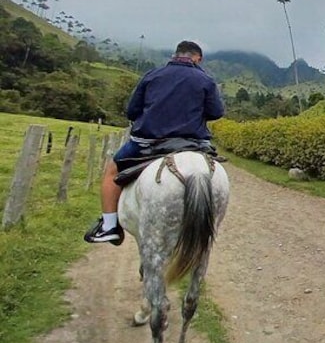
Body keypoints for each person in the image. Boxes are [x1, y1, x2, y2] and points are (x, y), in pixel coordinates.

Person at [84, 40, 225, 244]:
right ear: (197, 58)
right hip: (192, 144)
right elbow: (216, 112)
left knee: (112, 171)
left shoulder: (152, 75)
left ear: (175, 55)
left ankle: (109, 226)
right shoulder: (205, 80)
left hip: (148, 143)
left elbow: (132, 110)